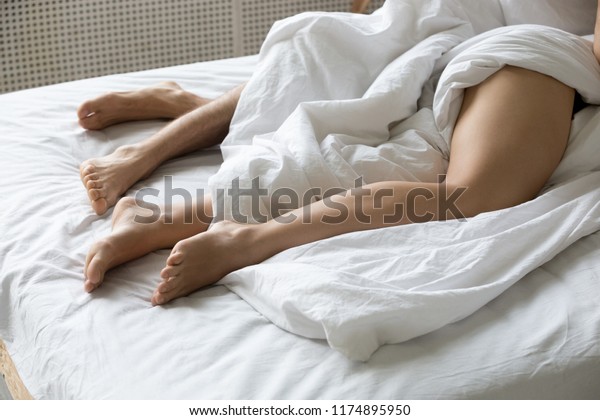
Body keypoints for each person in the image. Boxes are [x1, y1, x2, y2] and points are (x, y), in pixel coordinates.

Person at [77, 4, 600, 307]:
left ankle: (156, 217)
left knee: (363, 166)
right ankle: (246, 240)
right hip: (542, 65)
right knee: (469, 198)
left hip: (526, 63)